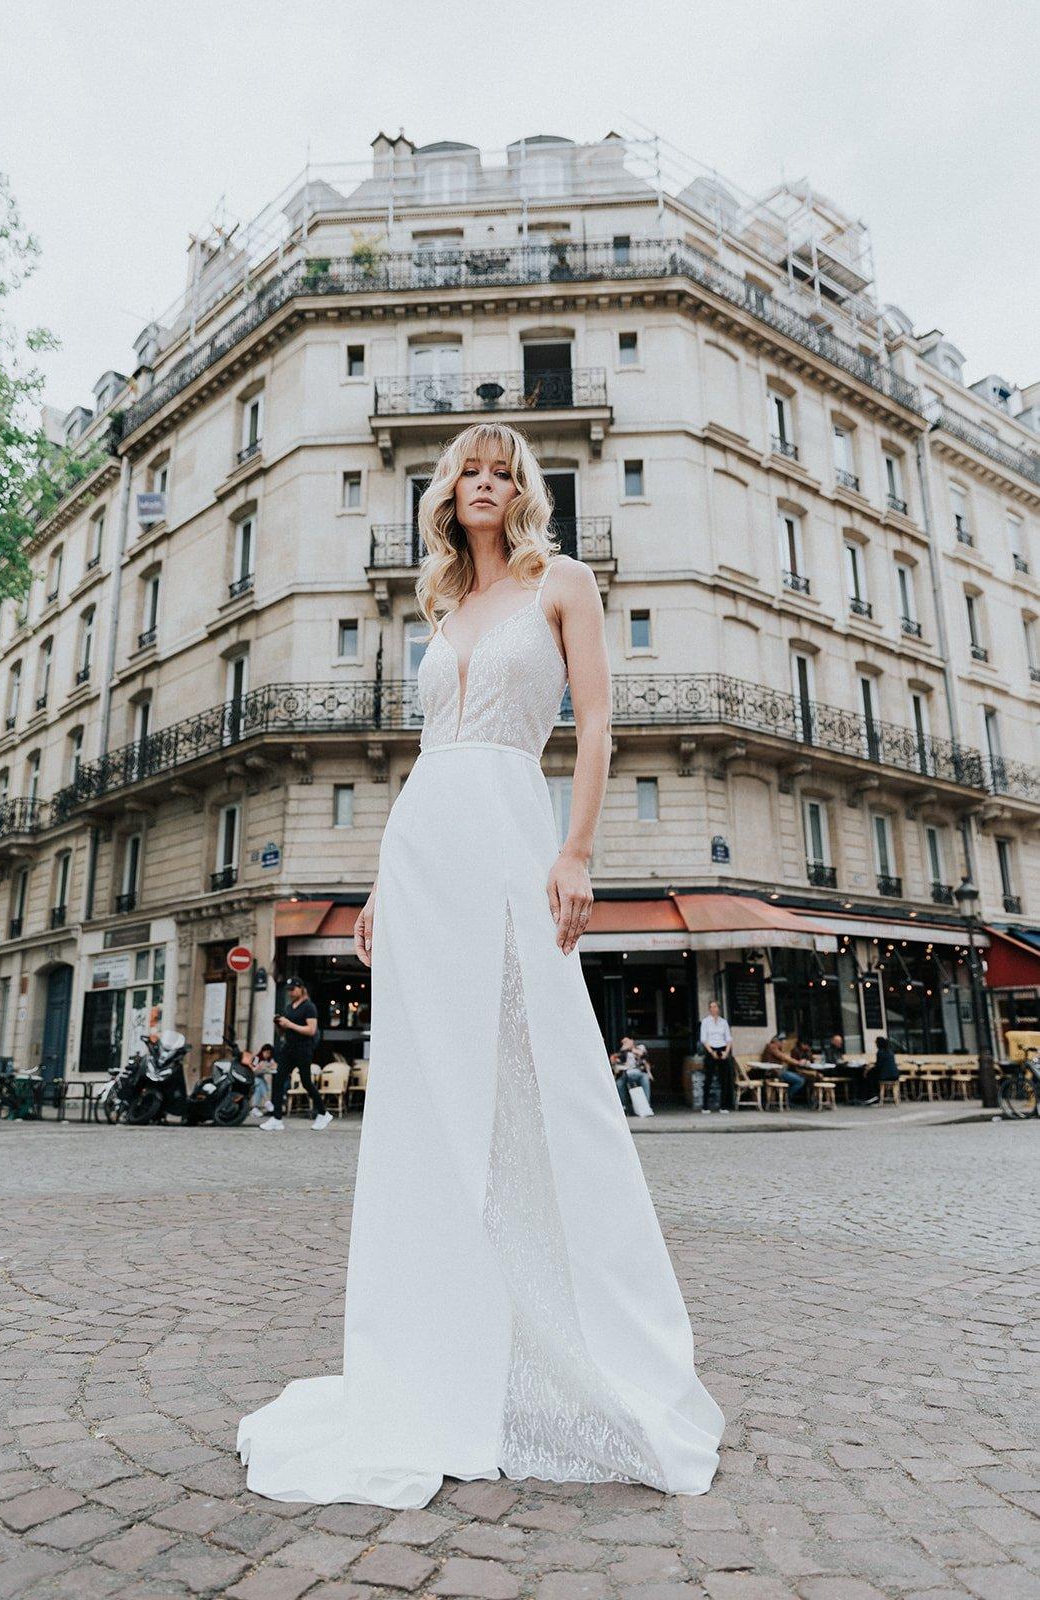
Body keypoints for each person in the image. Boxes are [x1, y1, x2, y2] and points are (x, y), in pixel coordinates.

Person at [237, 422, 723, 1507]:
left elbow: (594, 723)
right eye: (470, 472)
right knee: (428, 1099)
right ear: (447, 491)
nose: (486, 486)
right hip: (425, 847)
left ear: (524, 491)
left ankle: (583, 1340)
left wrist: (577, 852)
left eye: (503, 473)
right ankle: (437, 1347)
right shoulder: (444, 602)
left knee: (545, 1080)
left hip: (511, 828)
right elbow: (424, 754)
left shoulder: (564, 582)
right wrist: (375, 882)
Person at [258, 978, 333, 1132]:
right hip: (288, 1048)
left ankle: (323, 1113)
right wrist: (279, 1025)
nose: (291, 992)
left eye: (293, 989)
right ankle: (277, 1118)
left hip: (303, 1048)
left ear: (301, 988)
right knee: (278, 1080)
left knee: (306, 1082)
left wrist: (290, 1024)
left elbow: (311, 1030)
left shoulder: (309, 1007)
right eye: (289, 990)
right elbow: (284, 1031)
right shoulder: (289, 1007)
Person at [698, 1000, 735, 1114]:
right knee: (708, 1078)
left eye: (715, 1007)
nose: (713, 1009)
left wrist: (726, 1052)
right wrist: (711, 1052)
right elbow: (704, 1039)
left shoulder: (724, 1022)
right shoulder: (705, 1022)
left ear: (718, 1009)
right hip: (711, 1049)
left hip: (723, 1049)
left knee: (724, 1079)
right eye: (711, 1007)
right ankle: (705, 1106)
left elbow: (728, 1038)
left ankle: (723, 1106)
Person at [758, 1031, 807, 1106]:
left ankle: (785, 1097)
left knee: (802, 1076)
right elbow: (784, 1057)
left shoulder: (777, 1048)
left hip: (779, 1071)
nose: (783, 1044)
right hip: (774, 1072)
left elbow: (786, 1056)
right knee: (800, 1081)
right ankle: (786, 1098)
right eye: (781, 1042)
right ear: (776, 1041)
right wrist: (798, 1062)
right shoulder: (772, 1047)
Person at [613, 1038, 653, 1114]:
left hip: (639, 1072)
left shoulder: (640, 1047)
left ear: (631, 1041)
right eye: (623, 1042)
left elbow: (643, 1055)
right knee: (619, 1084)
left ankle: (646, 1106)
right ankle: (624, 1106)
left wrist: (630, 1049)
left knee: (645, 1078)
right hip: (626, 1073)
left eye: (626, 1041)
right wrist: (621, 1053)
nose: (625, 1042)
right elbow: (617, 1062)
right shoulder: (622, 1052)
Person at [863, 1036, 899, 1103]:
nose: (876, 1045)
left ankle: (873, 1095)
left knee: (870, 1076)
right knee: (872, 1075)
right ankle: (877, 1095)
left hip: (886, 1076)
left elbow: (878, 1067)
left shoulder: (880, 1052)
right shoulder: (890, 1051)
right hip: (895, 1075)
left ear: (879, 1044)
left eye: (876, 1043)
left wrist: (868, 1069)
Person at [249, 1043, 276, 1116]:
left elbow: (274, 1066)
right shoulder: (257, 1058)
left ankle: (254, 1109)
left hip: (258, 1079)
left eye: (270, 1053)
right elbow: (252, 1069)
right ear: (263, 1051)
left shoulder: (269, 1060)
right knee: (260, 1081)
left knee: (259, 1085)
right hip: (251, 1078)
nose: (268, 1055)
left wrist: (271, 1066)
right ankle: (267, 1102)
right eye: (267, 1052)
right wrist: (258, 1067)